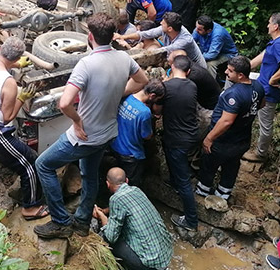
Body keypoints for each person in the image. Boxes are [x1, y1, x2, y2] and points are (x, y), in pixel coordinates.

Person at [33, 13, 148, 239]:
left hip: (84, 136)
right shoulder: (124, 59)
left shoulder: (86, 64)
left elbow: (64, 103)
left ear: (90, 36)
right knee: (90, 175)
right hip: (107, 134)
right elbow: (142, 81)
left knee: (43, 165)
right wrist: (118, 94)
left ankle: (60, 221)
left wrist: (76, 121)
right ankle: (83, 221)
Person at [0, 37, 48, 220]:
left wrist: (13, 63)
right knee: (29, 162)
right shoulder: (9, 83)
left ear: (0, 48)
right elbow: (7, 117)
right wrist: (22, 98)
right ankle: (30, 207)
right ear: (17, 60)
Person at [196, 56, 264, 201]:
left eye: (230, 70)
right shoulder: (258, 86)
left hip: (224, 140)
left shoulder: (233, 94)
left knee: (209, 165)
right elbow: (262, 104)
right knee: (232, 166)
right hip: (243, 138)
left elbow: (226, 121)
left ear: (240, 75)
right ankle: (223, 194)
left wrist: (209, 138)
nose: (226, 72)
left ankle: (203, 193)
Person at [93, 168, 173, 270]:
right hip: (166, 254)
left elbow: (110, 236)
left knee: (109, 240)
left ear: (108, 184)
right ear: (126, 180)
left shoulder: (115, 199)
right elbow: (128, 205)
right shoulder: (136, 190)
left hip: (150, 263)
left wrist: (101, 215)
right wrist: (105, 211)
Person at [243, 13, 280, 162]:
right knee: (234, 79)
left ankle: (261, 153)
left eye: (269, 23)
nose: (267, 26)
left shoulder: (279, 45)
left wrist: (273, 79)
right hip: (262, 82)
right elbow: (262, 57)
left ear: (276, 26)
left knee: (265, 124)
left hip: (269, 91)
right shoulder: (279, 42)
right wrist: (242, 68)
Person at [159, 55, 199, 231]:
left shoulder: (166, 87)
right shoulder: (192, 86)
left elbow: (158, 111)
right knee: (177, 166)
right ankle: (174, 182)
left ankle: (191, 220)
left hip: (177, 138)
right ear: (188, 71)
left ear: (172, 67)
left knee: (184, 181)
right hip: (191, 135)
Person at [111, 79, 164, 188]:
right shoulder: (144, 112)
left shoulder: (126, 97)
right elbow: (147, 136)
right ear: (152, 96)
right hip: (131, 153)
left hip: (116, 145)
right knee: (132, 185)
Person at [116, 11, 207, 70]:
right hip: (180, 64)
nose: (160, 24)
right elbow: (146, 34)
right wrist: (122, 37)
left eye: (162, 24)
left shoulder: (185, 40)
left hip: (195, 67)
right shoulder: (168, 28)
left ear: (170, 28)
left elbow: (165, 50)